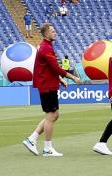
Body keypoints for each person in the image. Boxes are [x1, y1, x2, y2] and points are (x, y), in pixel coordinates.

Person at [23, 23, 81, 157]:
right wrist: (72, 77)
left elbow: (48, 68)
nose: (55, 33)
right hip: (47, 85)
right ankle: (47, 148)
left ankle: (32, 139)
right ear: (46, 34)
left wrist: (60, 80)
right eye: (52, 31)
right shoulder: (46, 48)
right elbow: (55, 67)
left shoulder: (46, 46)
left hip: (48, 83)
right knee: (51, 115)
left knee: (54, 114)